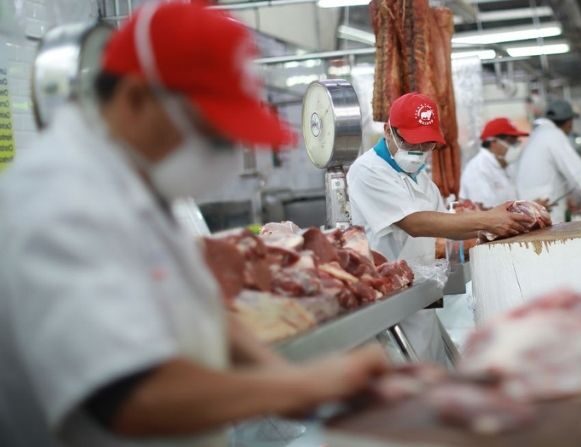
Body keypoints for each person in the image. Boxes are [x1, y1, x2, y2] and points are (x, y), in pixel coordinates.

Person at [0, 3, 389, 447]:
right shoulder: (62, 199)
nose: (221, 156)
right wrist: (303, 386)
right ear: (134, 99)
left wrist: (284, 380)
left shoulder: (134, 188)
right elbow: (130, 398)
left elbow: (198, 311)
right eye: (210, 133)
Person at [347, 92, 533, 364]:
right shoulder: (368, 171)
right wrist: (487, 220)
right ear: (388, 130)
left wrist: (498, 229)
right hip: (387, 307)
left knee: (430, 377)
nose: (419, 152)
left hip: (418, 300)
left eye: (427, 145)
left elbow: (445, 228)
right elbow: (415, 223)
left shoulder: (421, 180)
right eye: (412, 142)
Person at [516, 99, 581, 224]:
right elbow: (580, 175)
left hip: (530, 212)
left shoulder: (538, 135)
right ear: (569, 122)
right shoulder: (553, 135)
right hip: (544, 211)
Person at [459, 117, 529, 208]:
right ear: (493, 142)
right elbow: (486, 211)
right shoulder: (478, 169)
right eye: (511, 142)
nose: (515, 147)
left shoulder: (507, 166)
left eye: (516, 142)